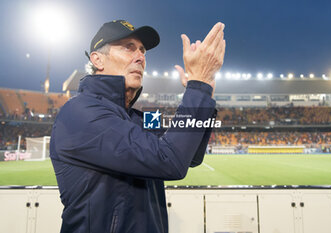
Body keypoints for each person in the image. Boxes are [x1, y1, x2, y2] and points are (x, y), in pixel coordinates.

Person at [50, 19, 225, 233]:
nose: (140, 57)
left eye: (142, 51)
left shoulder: (138, 117)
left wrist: (204, 96)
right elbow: (170, 160)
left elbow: (191, 156)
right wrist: (198, 87)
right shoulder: (80, 112)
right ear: (97, 59)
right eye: (128, 47)